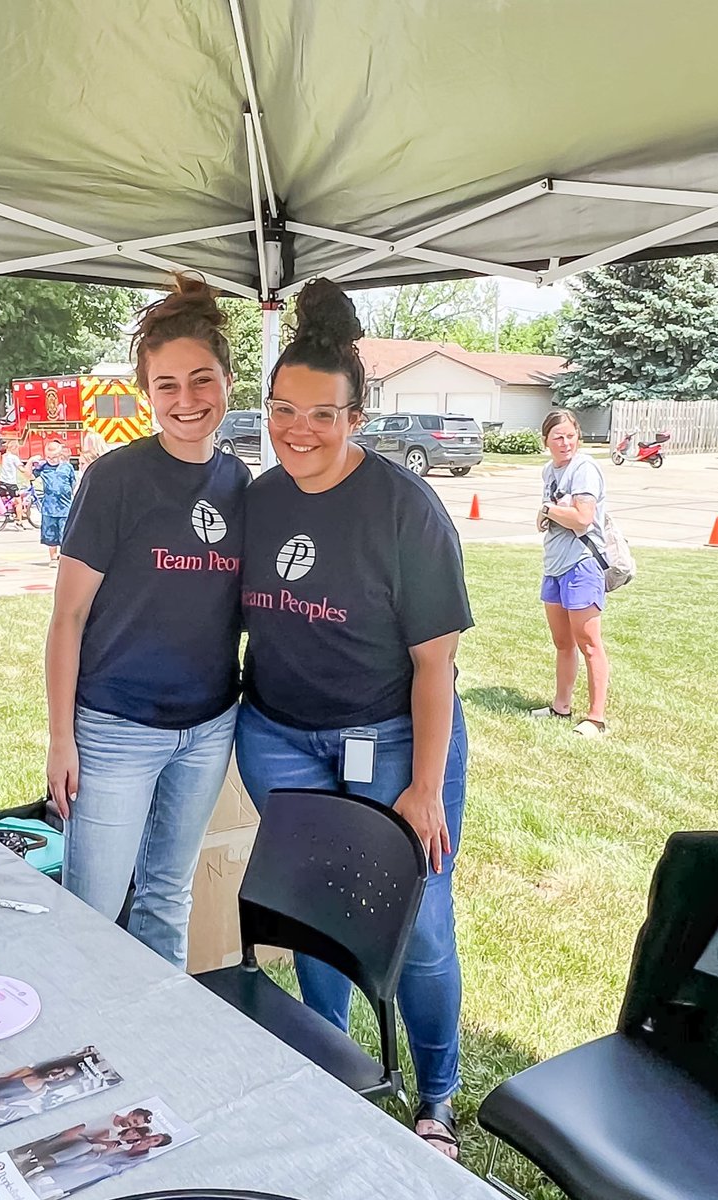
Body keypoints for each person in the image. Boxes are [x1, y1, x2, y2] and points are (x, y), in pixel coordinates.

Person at [236, 279, 473, 1159]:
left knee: (419, 922)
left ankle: (437, 1096)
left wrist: (424, 786)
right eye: (282, 410)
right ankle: (328, 1065)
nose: (298, 430)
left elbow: (435, 664)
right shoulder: (261, 499)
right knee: (314, 911)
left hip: (397, 737)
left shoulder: (405, 508)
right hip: (279, 736)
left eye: (321, 415)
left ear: (356, 417)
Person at [45, 274, 250, 969]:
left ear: (228, 381)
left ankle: (162, 1025)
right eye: (167, 385)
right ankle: (84, 1025)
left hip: (208, 727)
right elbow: (68, 617)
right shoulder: (115, 479)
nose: (186, 400)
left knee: (167, 896)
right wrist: (61, 738)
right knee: (92, 911)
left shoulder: (239, 482)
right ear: (147, 394)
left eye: (201, 380)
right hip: (115, 730)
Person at [532, 409, 610, 736]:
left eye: (570, 436)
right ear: (546, 441)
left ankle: (596, 718)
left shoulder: (584, 469)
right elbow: (550, 518)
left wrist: (548, 510)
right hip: (555, 565)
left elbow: (582, 518)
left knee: (588, 642)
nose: (565, 443)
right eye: (558, 437)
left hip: (582, 563)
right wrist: (548, 513)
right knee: (562, 642)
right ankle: (560, 707)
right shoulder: (549, 471)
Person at [33, 442, 76, 565]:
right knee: (50, 534)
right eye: (49, 457)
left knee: (65, 533)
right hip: (49, 507)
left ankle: (63, 557)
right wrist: (30, 461)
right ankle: (53, 557)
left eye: (55, 457)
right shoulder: (43, 468)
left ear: (60, 455)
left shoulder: (67, 467)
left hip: (65, 507)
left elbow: (73, 483)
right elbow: (29, 475)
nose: (51, 460)